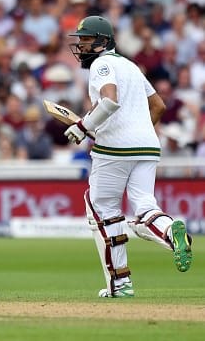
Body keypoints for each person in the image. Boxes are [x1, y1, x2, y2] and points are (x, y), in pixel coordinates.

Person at [64, 15, 193, 298]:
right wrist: (139, 131)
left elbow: (110, 100)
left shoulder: (102, 64)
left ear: (102, 41)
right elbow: (158, 105)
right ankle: (171, 231)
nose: (81, 45)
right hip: (148, 145)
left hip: (114, 148)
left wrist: (83, 126)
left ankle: (119, 284)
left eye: (86, 40)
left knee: (102, 207)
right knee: (145, 206)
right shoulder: (131, 66)